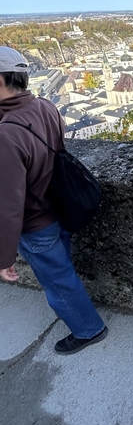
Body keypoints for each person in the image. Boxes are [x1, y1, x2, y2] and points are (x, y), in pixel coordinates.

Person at [0, 46, 108, 355]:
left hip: (35, 221)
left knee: (58, 278)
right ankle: (73, 310)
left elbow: (8, 205)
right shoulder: (45, 106)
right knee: (62, 269)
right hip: (59, 204)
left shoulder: (6, 135)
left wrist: (4, 257)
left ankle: (88, 329)